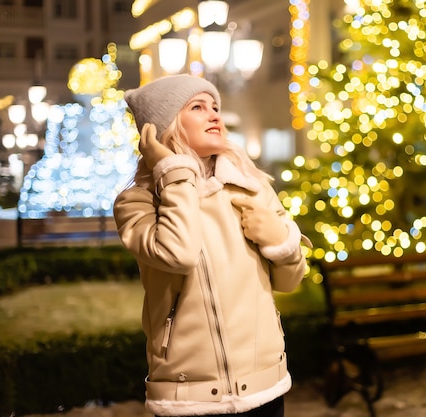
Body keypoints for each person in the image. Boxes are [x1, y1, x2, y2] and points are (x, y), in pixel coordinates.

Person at [114, 74, 308, 417]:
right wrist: (172, 171)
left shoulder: (252, 188)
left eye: (216, 106)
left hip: (264, 386)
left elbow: (290, 282)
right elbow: (179, 253)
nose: (215, 115)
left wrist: (281, 239)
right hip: (188, 396)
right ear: (164, 125)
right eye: (198, 107)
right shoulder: (138, 203)